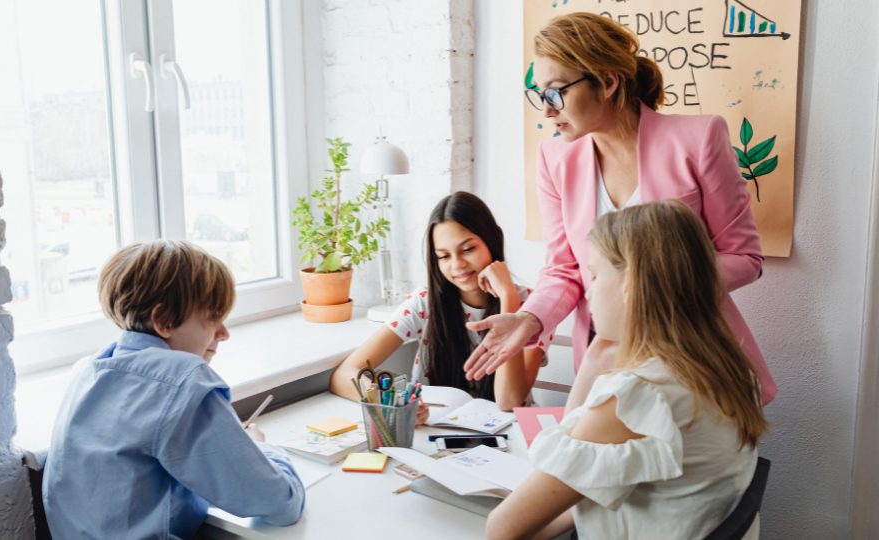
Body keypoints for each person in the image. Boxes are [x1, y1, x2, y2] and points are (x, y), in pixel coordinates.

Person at [462, 12, 776, 405]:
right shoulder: (554, 159)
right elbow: (564, 269)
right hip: (606, 358)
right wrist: (530, 318)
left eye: (556, 92)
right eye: (540, 95)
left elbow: (745, 257)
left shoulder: (698, 138)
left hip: (690, 353)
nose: (547, 110)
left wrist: (655, 287)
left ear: (608, 82)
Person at [486, 201, 769, 539]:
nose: (588, 290)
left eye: (594, 274)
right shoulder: (726, 367)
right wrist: (597, 356)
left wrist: (594, 362)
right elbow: (573, 488)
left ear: (629, 283)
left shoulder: (640, 394)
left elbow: (501, 528)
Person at [42, 241, 305, 539]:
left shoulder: (88, 371)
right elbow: (280, 503)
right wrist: (260, 449)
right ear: (164, 320)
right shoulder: (182, 382)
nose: (224, 333)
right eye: (213, 317)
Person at [329, 192, 546, 415]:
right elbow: (343, 375)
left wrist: (508, 298)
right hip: (438, 430)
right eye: (444, 256)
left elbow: (510, 401)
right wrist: (391, 404)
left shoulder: (534, 308)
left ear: (492, 240)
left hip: (511, 430)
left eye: (468, 249)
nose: (457, 265)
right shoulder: (424, 303)